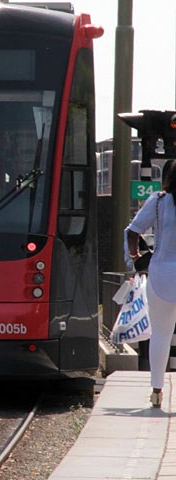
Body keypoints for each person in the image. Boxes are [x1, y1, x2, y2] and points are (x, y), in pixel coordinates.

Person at [126, 161, 176, 407]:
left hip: (161, 274)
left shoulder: (157, 200)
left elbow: (133, 231)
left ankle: (157, 391)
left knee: (161, 334)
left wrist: (136, 258)